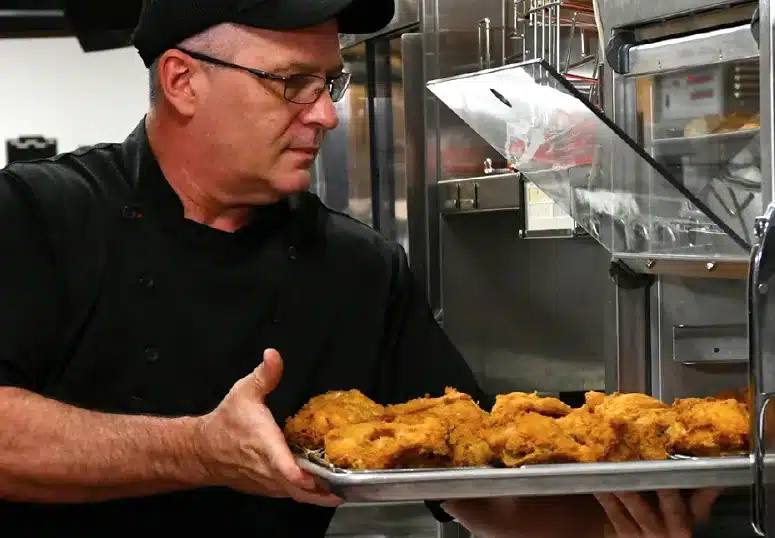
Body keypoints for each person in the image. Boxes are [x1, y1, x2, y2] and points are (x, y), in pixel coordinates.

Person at [0, 0, 720, 535]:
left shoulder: (355, 267)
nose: (325, 117)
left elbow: (469, 480)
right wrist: (198, 450)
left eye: (330, 83)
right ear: (184, 81)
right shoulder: (38, 217)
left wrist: (624, 504)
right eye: (290, 84)